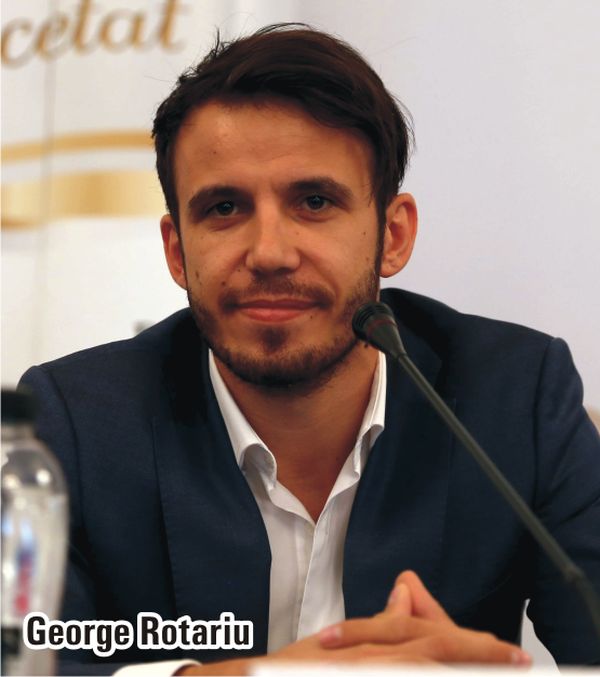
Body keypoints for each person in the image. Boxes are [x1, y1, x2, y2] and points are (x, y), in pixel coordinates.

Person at [20, 24, 600, 675]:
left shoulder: (517, 399)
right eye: (225, 208)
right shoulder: (75, 423)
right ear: (177, 251)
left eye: (315, 201)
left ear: (393, 235)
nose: (270, 253)